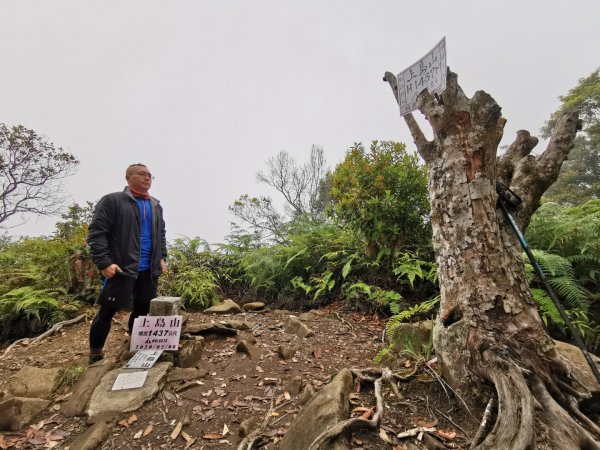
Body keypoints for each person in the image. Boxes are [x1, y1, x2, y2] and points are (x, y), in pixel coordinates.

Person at [87, 163, 167, 364]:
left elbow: (161, 235)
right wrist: (104, 262)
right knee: (107, 312)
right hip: (120, 269)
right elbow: (97, 233)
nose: (147, 178)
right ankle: (95, 354)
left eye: (150, 175)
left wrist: (161, 257)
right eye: (142, 174)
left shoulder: (156, 205)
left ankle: (136, 348)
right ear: (128, 177)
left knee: (141, 311)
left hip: (148, 270)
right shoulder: (112, 201)